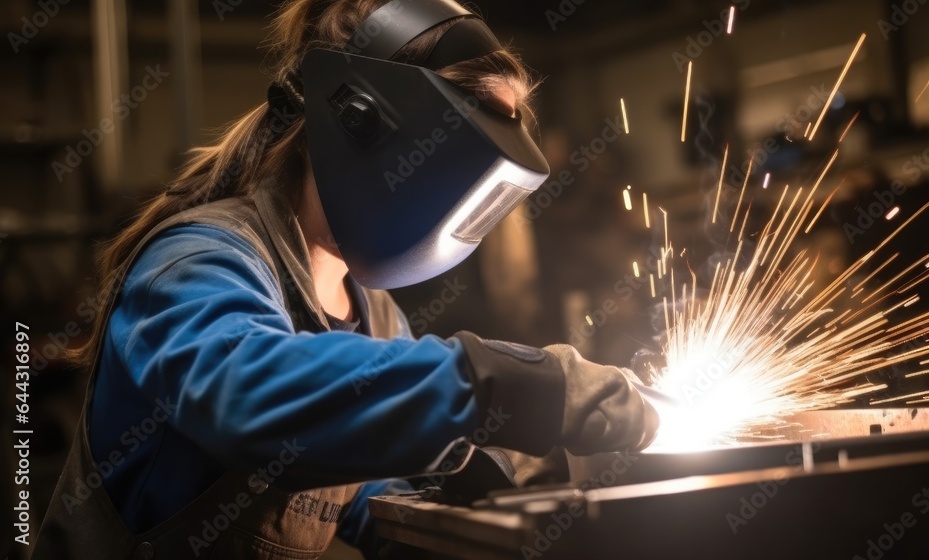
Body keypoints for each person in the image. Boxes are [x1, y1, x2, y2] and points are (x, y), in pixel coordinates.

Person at [33, 0, 658, 558]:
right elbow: (246, 393)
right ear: (362, 120)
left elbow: (364, 492)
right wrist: (501, 385)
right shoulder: (198, 260)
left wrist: (470, 481)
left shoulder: (377, 315)